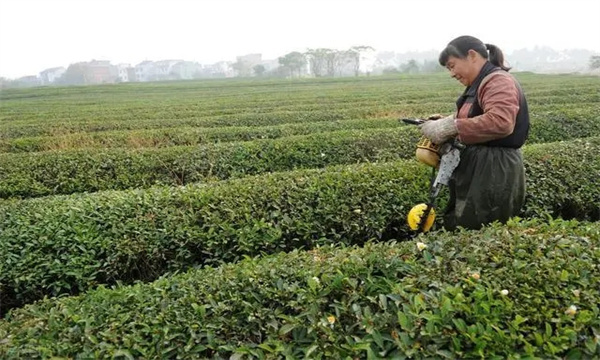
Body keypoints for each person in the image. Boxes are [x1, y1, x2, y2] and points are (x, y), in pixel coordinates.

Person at [420, 35, 530, 230]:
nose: (452, 74)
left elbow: (501, 122)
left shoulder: (497, 80)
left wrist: (450, 127)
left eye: (452, 66)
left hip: (494, 168)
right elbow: (472, 115)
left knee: (479, 227)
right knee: (461, 223)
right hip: (479, 164)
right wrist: (444, 121)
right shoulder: (477, 84)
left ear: (471, 55)